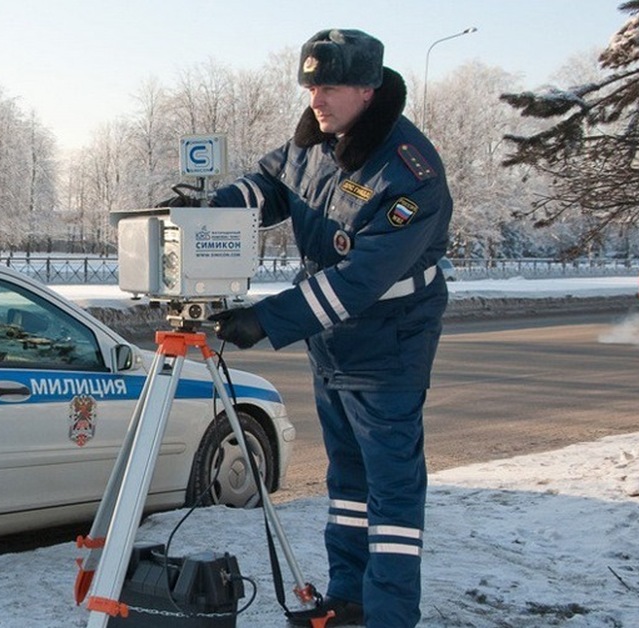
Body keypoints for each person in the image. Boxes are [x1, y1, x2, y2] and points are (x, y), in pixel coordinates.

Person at [201, 29, 453, 627]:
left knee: (389, 493)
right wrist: (214, 208)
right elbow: (270, 184)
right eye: (311, 84)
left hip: (388, 342)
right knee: (346, 481)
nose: (317, 96)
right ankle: (349, 596)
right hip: (331, 340)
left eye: (330, 85)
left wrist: (263, 320)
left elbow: (359, 280)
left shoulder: (409, 170)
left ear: (368, 89)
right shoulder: (315, 142)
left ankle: (389, 614)